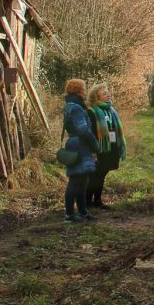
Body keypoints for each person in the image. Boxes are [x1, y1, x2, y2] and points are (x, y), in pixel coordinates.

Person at [60, 79, 99, 224]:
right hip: (79, 145)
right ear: (78, 91)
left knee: (82, 180)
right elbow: (83, 129)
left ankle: (83, 212)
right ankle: (69, 215)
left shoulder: (71, 105)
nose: (85, 90)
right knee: (76, 180)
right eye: (83, 88)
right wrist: (94, 145)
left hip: (76, 143)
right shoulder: (76, 108)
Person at [85, 84, 127, 210]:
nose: (108, 95)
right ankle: (87, 202)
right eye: (104, 93)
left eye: (108, 92)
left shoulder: (111, 110)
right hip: (99, 149)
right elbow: (90, 133)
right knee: (95, 175)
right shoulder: (91, 111)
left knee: (102, 174)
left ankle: (97, 201)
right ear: (96, 97)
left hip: (111, 148)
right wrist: (93, 151)